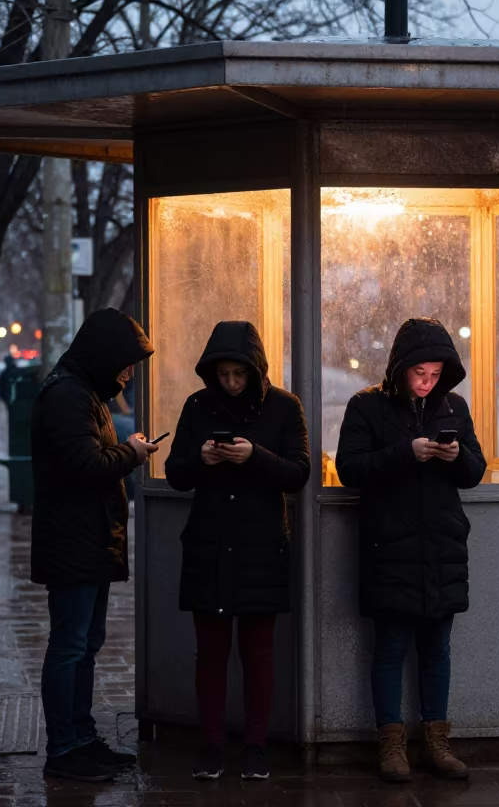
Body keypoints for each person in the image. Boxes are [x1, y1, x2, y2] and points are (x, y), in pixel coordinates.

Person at [335, 318, 487, 783]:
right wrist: (407, 453)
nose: (427, 381)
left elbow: (475, 469)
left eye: (436, 373)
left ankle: (437, 743)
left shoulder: (453, 407)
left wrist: (454, 455)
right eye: (420, 372)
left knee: (436, 649)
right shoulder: (367, 407)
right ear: (399, 369)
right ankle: (392, 745)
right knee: (391, 647)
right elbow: (349, 468)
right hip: (390, 547)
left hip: (441, 546)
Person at [165, 321, 310, 781]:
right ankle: (211, 747)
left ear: (254, 369)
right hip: (209, 543)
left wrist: (255, 457)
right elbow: (175, 473)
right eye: (222, 374)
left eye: (238, 374)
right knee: (209, 653)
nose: (229, 383)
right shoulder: (197, 405)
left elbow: (299, 473)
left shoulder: (285, 407)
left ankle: (255, 748)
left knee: (258, 653)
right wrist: (201, 460)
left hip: (259, 545)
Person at [30, 309, 159, 782]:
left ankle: (82, 739)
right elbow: (86, 465)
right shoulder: (67, 395)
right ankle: (64, 749)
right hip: (72, 542)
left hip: (87, 539)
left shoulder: (85, 392)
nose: (129, 372)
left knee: (86, 644)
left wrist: (127, 449)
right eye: (126, 363)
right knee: (70, 645)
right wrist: (135, 453)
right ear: (104, 356)